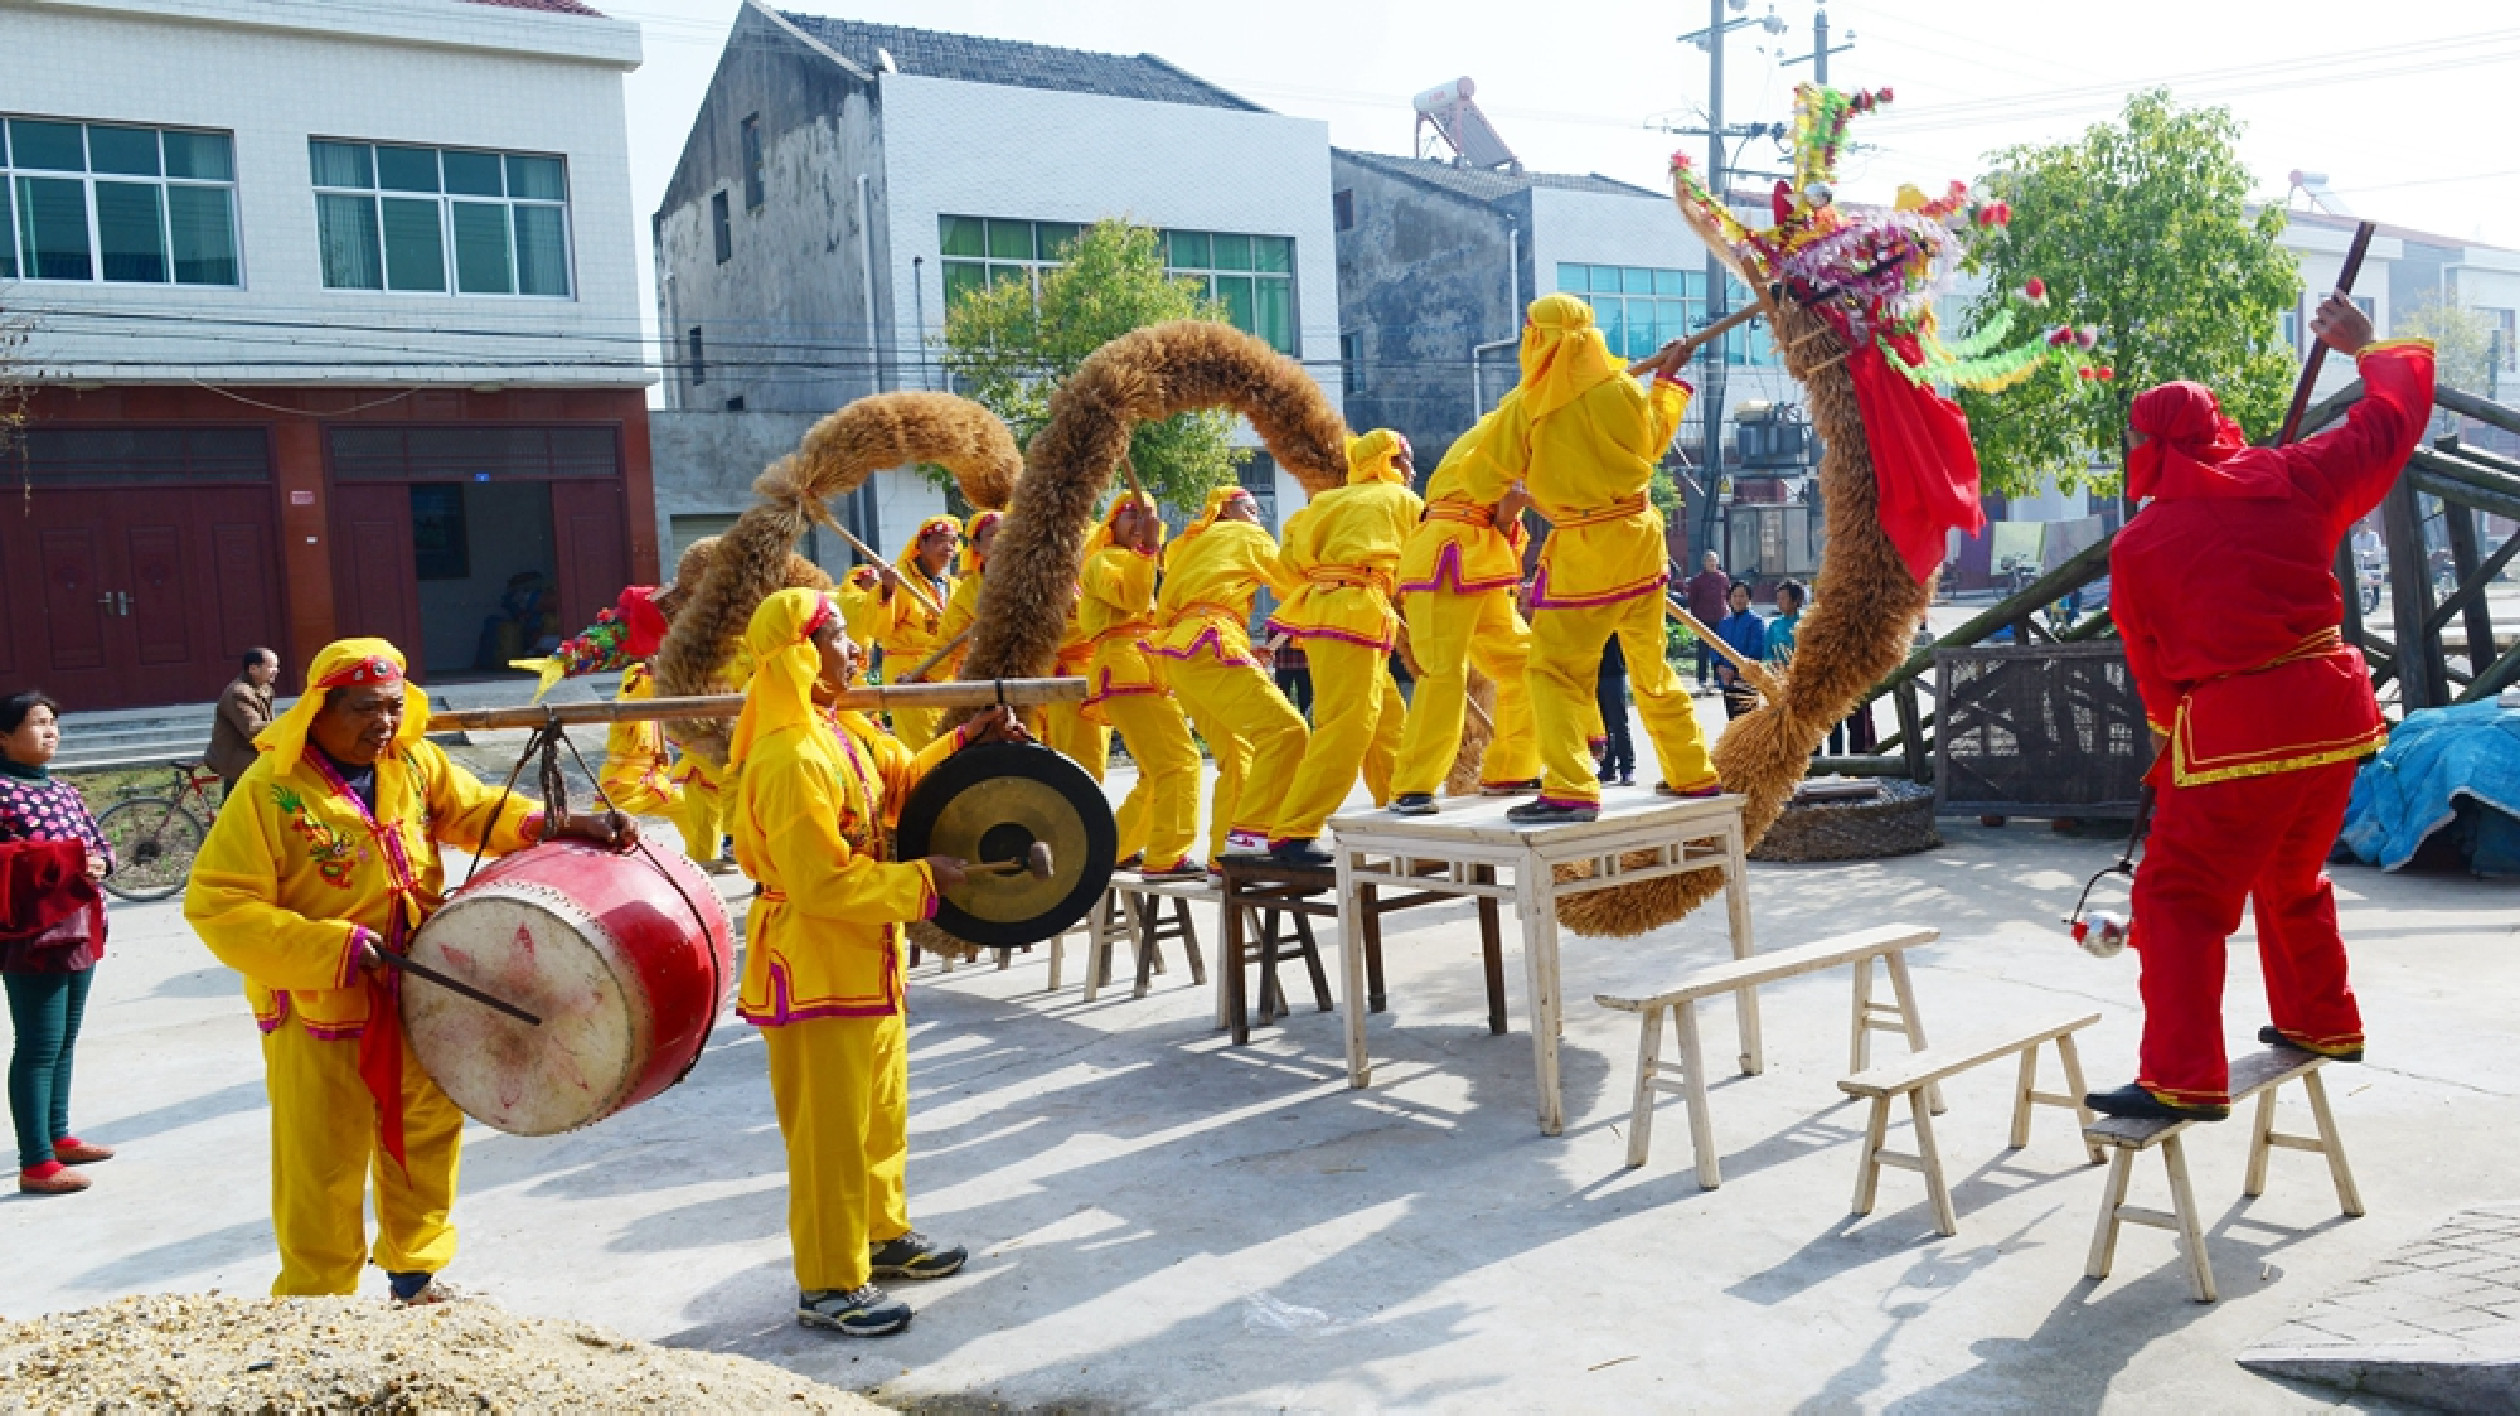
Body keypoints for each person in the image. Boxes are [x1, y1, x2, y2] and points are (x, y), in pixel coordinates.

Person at [185, 639, 635, 1300]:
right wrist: (329, 946)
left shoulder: (414, 762)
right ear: (320, 709)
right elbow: (217, 904)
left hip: (421, 985)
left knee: (426, 1132)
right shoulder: (270, 789)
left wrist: (556, 825)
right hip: (322, 1002)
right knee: (322, 1156)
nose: (384, 724)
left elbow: (476, 810)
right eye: (365, 709)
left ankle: (415, 1271)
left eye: (395, 707)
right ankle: (317, 1300)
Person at [2086, 294, 2433, 1124]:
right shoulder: (2299, 478)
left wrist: (2175, 738)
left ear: (2152, 445)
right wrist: (2362, 348)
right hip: (2335, 717)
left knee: (2178, 900)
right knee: (2290, 875)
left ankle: (2180, 1075)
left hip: (2238, 733)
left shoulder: (2139, 546)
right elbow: (2391, 423)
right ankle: (2322, 1017)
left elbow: (2154, 667)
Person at [730, 587, 1019, 1336]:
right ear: (800, 655)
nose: (856, 648)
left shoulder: (841, 735)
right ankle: (827, 1284)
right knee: (830, 1134)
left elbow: (900, 790)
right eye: (837, 638)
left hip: (866, 955)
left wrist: (968, 741)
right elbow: (821, 881)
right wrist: (924, 880)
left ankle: (882, 1238)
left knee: (879, 1114)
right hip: (815, 960)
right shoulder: (790, 757)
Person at [1460, 294, 1720, 824]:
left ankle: (1573, 786)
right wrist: (1666, 383)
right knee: (1652, 668)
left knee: (1552, 671)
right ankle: (1692, 772)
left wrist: (1520, 463)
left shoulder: (1526, 407)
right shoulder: (1621, 388)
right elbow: (1652, 442)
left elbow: (1479, 480)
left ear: (1539, 339)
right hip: (1641, 545)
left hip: (1584, 555)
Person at [1255, 430, 1423, 865]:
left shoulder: (1326, 502)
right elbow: (1424, 567)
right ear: (1389, 461)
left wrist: (1331, 582)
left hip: (1323, 611)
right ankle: (1294, 830)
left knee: (1386, 719)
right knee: (1347, 726)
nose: (1413, 471)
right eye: (1407, 462)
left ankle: (1401, 807)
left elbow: (1286, 565)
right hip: (1357, 612)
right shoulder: (1403, 502)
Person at [1388, 413, 1543, 815]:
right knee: (1444, 673)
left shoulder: (1524, 430)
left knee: (1524, 661)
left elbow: (1506, 509)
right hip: (1447, 553)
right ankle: (1413, 786)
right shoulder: (1513, 426)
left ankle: (1512, 768)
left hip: (1480, 555)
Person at [1149, 486, 1310, 863]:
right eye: (1253, 510)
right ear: (1230, 512)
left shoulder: (1191, 549)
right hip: (1210, 642)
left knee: (1239, 756)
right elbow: (1290, 584)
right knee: (1288, 733)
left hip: (1180, 654)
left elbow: (1171, 607)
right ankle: (1250, 837)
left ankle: (1226, 857)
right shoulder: (1245, 534)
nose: (1259, 519)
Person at [0, 692, 113, 1196]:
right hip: (32, 937)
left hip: (80, 927)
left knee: (65, 1040)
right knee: (39, 1045)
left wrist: (100, 863)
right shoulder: (2, 792)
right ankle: (36, 1161)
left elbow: (99, 842)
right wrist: (68, 861)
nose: (51, 731)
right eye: (37, 723)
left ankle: (58, 1133)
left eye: (53, 722)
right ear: (4, 736)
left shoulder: (66, 792)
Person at [1080, 494, 1204, 880]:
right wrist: (1149, 548)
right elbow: (1131, 597)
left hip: (1142, 668)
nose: (1136, 521)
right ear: (1110, 526)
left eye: (1143, 514)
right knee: (1181, 763)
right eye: (1127, 514)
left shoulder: (1143, 563)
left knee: (1155, 772)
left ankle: (1115, 848)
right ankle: (1168, 855)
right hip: (1127, 668)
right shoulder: (1103, 559)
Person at [843, 516, 961, 749]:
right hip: (909, 670)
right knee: (925, 744)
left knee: (949, 740)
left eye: (953, 542)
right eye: (940, 540)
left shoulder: (953, 586)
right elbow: (877, 630)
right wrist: (887, 591)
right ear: (922, 545)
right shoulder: (901, 580)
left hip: (945, 671)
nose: (948, 547)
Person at [932, 510, 1001, 684]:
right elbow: (947, 641)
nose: (1002, 539)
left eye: (1008, 531)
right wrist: (919, 677)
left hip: (1053, 670)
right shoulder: (968, 592)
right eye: (993, 534)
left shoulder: (1038, 574)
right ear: (976, 545)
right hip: (996, 676)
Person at [209, 649, 280, 800]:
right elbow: (253, 729)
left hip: (250, 753)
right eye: (272, 667)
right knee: (239, 809)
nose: (276, 671)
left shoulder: (264, 688)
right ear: (253, 669)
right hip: (235, 758)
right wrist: (286, 724)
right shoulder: (239, 693)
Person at [1713, 581, 1767, 721]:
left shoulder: (1756, 622)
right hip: (1727, 682)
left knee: (1748, 725)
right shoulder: (1724, 622)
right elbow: (1715, 646)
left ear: (1749, 598)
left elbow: (1756, 650)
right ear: (1729, 598)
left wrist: (1736, 671)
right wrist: (1720, 668)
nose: (1738, 599)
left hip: (1746, 681)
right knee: (1733, 722)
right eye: (1735, 595)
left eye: (1742, 596)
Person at [1685, 550, 1732, 690]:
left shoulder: (1723, 578)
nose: (1712, 563)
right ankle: (1702, 679)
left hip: (1721, 618)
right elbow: (1692, 601)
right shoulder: (1697, 580)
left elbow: (1728, 595)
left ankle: (1718, 679)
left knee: (1719, 649)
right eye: (1709, 561)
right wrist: (1694, 618)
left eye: (1714, 561)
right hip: (1703, 618)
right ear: (1704, 563)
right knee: (1703, 650)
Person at [1593, 635, 1635, 788]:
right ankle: (1607, 768)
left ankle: (1627, 769)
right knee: (1601, 724)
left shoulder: (1613, 615)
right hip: (1593, 674)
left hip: (1613, 673)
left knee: (1619, 724)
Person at [1271, 637, 1313, 722]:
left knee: (1283, 698)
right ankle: (1304, 721)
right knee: (1302, 697)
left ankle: (1285, 722)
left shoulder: (1279, 623)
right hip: (1295, 662)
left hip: (1289, 662)